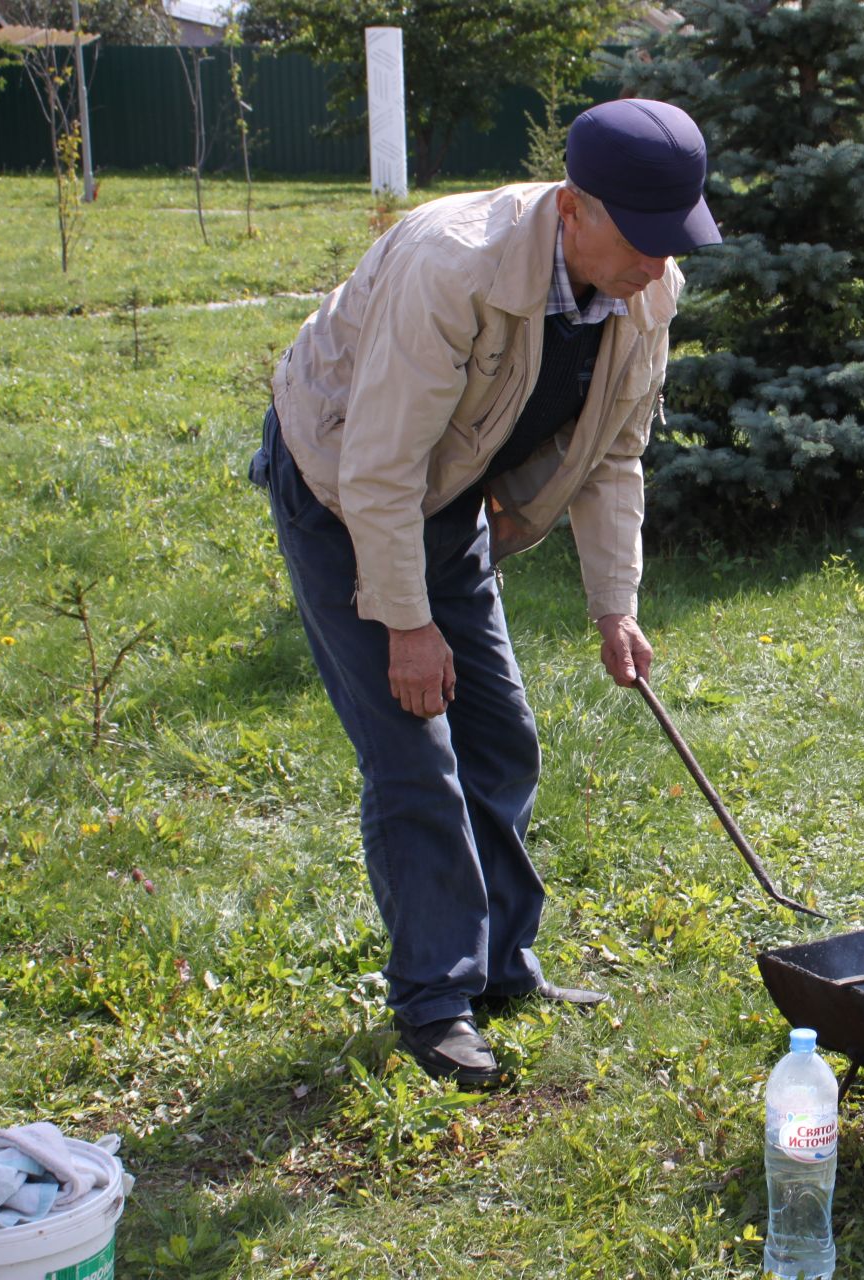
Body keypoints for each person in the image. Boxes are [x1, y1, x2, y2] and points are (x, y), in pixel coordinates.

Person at [246, 99, 721, 1087]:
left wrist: (613, 605)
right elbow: (378, 471)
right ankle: (435, 1001)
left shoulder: (647, 287)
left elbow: (615, 456)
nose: (658, 263)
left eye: (675, 239)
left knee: (500, 736)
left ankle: (505, 963)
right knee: (416, 751)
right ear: (574, 209)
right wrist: (407, 626)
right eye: (643, 238)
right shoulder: (449, 265)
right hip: (345, 490)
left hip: (447, 491)